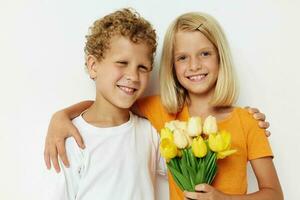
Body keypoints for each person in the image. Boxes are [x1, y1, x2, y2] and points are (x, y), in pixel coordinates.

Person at [44, 11, 279, 200]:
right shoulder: (163, 112)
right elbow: (110, 107)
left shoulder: (246, 121)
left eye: (205, 53)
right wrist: (61, 116)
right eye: (183, 57)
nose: (194, 65)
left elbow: (274, 194)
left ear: (221, 58)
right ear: (172, 65)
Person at [52, 8, 166, 200]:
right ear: (93, 66)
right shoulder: (72, 139)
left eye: (143, 67)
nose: (133, 76)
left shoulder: (151, 132)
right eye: (122, 62)